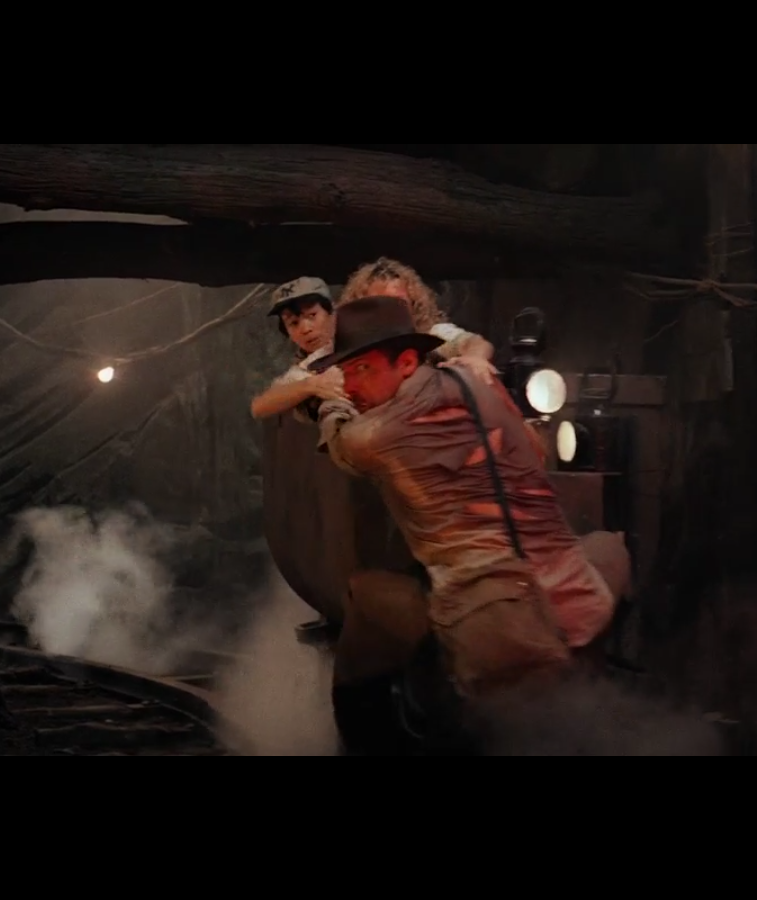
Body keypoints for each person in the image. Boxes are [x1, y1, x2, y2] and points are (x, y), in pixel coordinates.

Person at [311, 295, 629, 752]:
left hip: (490, 626)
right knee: (607, 546)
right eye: (346, 372)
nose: (351, 383)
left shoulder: (374, 435)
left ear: (406, 362)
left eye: (362, 369)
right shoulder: (476, 379)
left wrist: (329, 402)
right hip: (573, 601)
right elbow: (535, 450)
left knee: (363, 597)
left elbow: (340, 442)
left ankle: (363, 740)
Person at [338, 257, 500, 387]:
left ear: (413, 304)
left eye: (398, 302)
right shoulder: (348, 343)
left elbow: (474, 342)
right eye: (380, 303)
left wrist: (475, 357)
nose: (390, 310)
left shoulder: (432, 333)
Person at [249, 277, 354, 423]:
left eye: (312, 315)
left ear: (332, 311)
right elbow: (259, 407)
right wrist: (312, 385)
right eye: (293, 323)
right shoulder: (306, 368)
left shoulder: (358, 337)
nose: (305, 329)